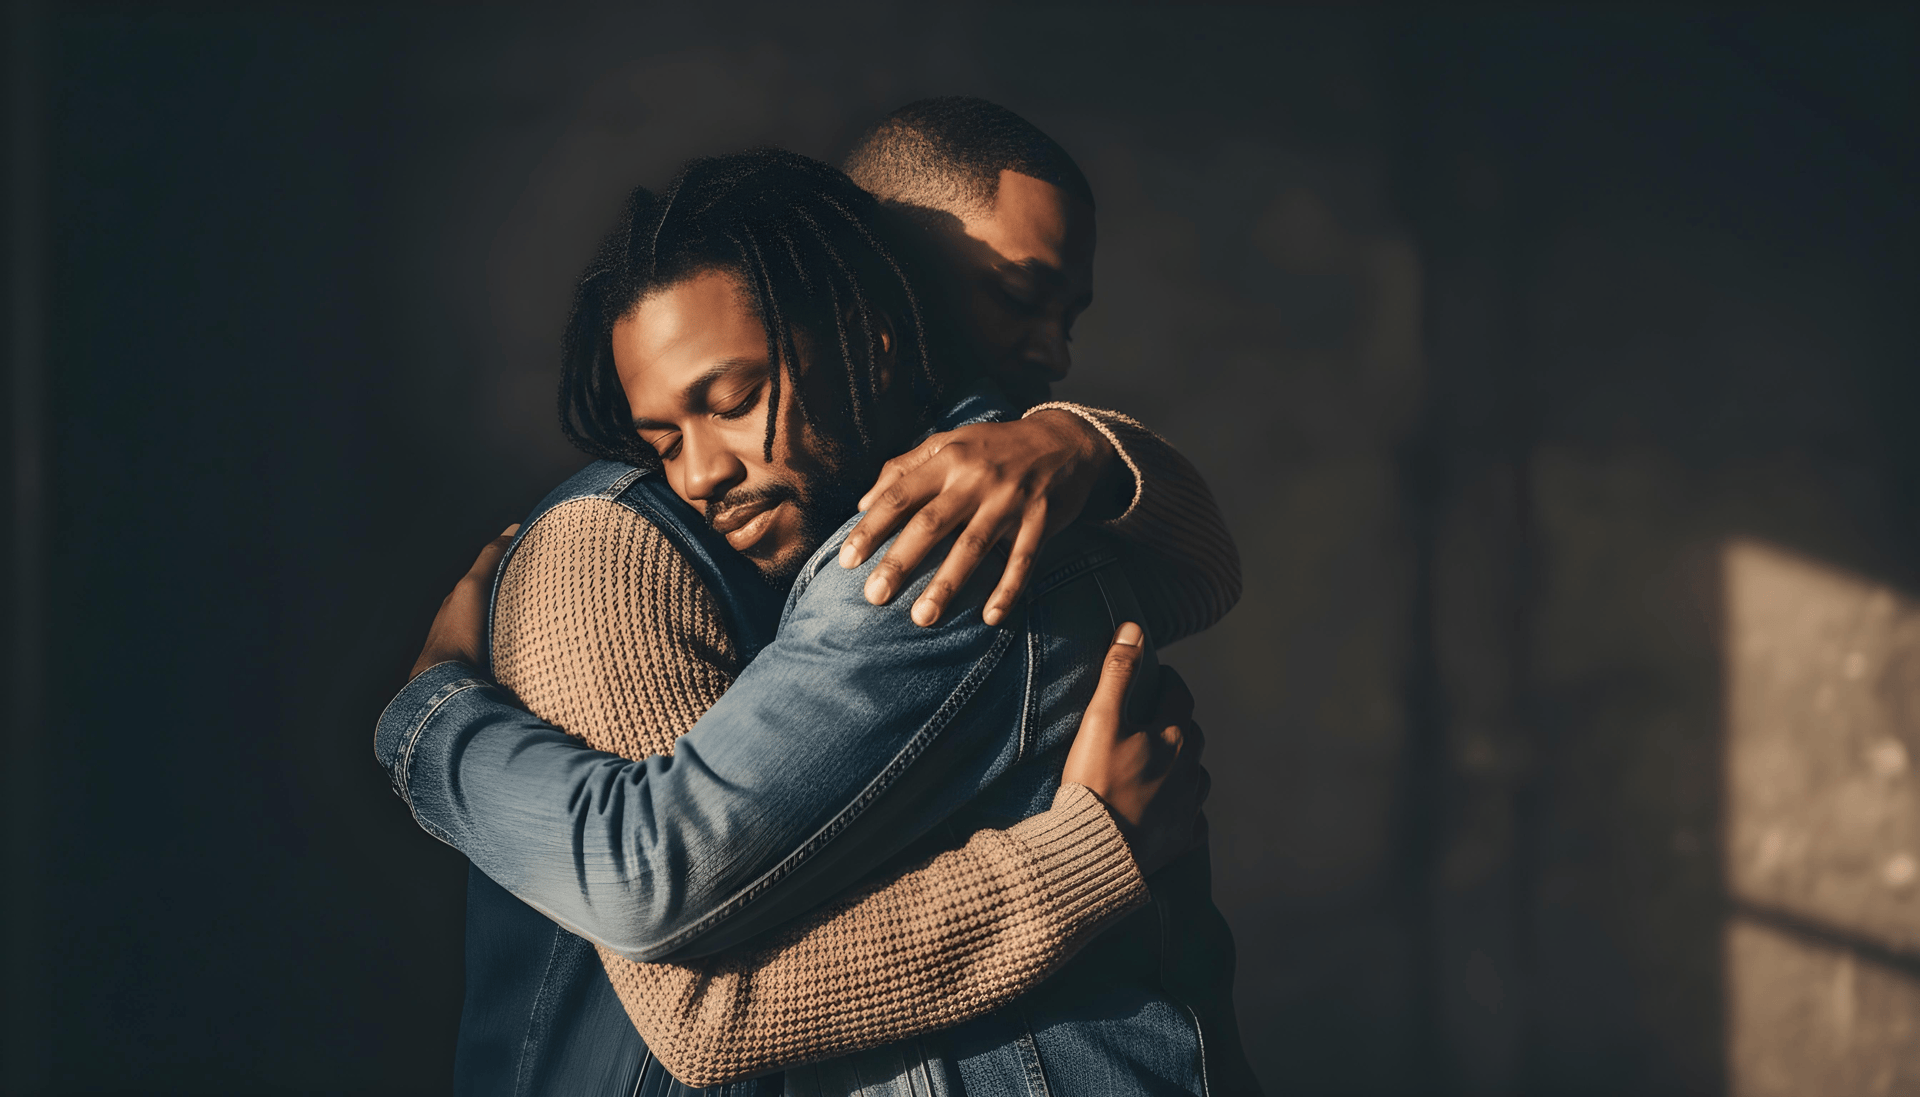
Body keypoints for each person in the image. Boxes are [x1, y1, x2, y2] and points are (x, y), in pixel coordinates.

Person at [379, 140, 1256, 1095]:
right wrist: (428, 719)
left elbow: (1202, 575)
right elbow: (690, 980)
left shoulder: (946, 532)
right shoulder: (620, 546)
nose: (701, 470)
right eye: (1013, 293)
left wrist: (1079, 441)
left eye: (738, 402)